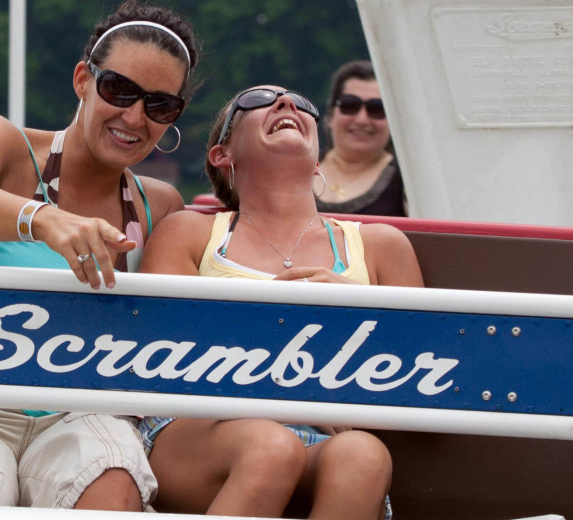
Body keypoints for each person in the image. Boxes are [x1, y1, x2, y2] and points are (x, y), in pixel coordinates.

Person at [0, 1, 200, 511]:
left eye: (160, 106)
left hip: (82, 414)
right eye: (119, 89)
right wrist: (43, 220)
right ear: (82, 80)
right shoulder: (3, 144)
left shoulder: (159, 204)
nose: (134, 117)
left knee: (113, 481)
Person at [137, 85, 423, 519]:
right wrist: (301, 389)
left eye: (301, 103)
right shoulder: (191, 234)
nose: (287, 104)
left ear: (318, 152)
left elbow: (419, 375)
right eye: (258, 102)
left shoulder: (382, 246)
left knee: (364, 455)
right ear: (223, 154)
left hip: (317, 439)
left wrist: (358, 306)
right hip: (203, 433)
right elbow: (161, 354)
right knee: (270, 447)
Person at [316, 60, 407, 216]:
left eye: (376, 109)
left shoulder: (409, 183)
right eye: (350, 105)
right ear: (331, 115)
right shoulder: (296, 169)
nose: (362, 120)